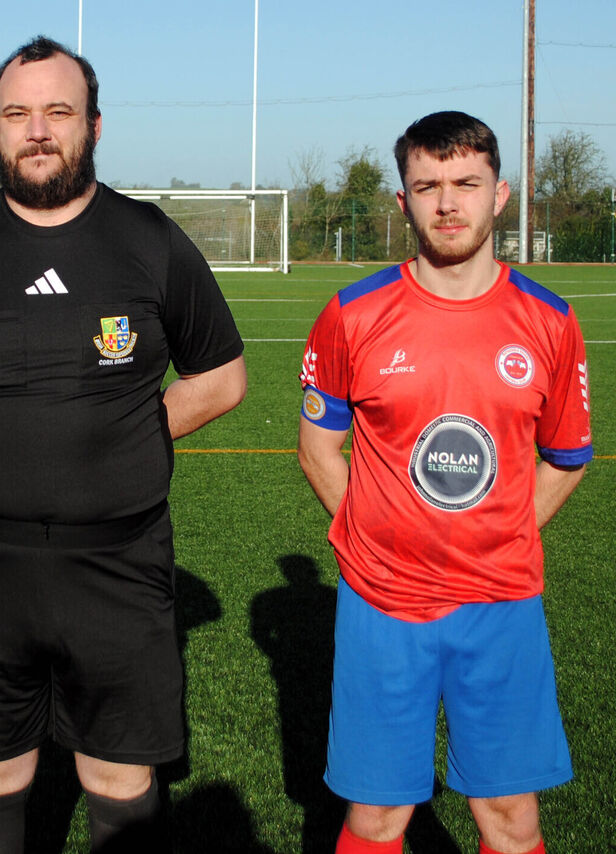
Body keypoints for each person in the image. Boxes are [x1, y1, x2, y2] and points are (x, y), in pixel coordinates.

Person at [0, 35, 247, 853]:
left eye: (57, 112)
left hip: (119, 563)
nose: (37, 130)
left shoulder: (149, 239)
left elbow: (221, 378)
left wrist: (123, 434)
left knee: (119, 781)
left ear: (94, 126)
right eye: (18, 113)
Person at [297, 111, 592, 854]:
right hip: (382, 602)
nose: (448, 202)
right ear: (403, 201)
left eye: (466, 183)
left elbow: (566, 455)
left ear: (501, 195)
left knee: (511, 820)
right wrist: (368, 536)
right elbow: (317, 447)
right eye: (427, 186)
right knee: (375, 819)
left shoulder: (550, 322)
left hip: (502, 603)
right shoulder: (353, 313)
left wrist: (503, 532)